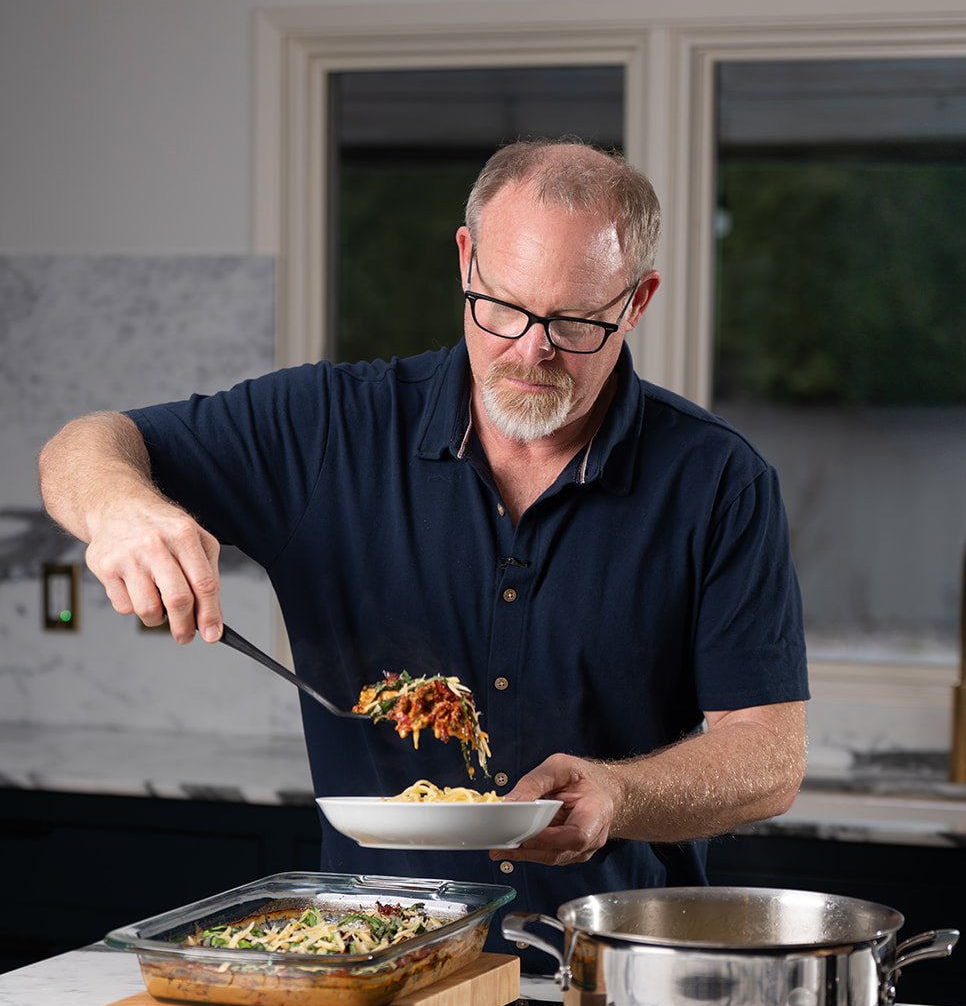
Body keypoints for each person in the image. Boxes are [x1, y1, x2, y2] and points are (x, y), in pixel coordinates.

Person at [38, 138, 808, 956]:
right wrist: (123, 510)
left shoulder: (717, 479)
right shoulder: (328, 427)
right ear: (467, 261)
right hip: (369, 960)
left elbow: (768, 756)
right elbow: (84, 445)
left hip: (609, 969)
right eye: (503, 307)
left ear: (637, 301)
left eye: (575, 322)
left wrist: (619, 792)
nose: (529, 349)